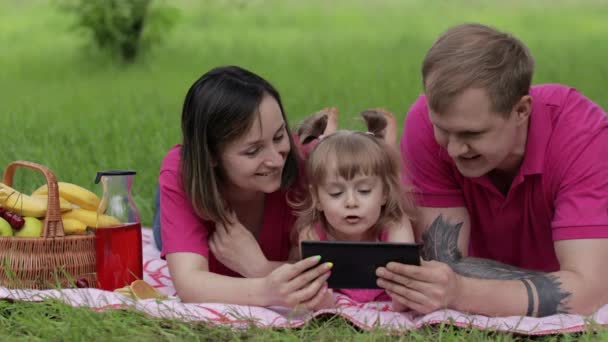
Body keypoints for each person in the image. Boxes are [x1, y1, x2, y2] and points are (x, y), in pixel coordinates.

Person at [376, 23, 608, 317]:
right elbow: (444, 265)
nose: (453, 149)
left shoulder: (583, 137)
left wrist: (461, 291)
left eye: (472, 134)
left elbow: (590, 293)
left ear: (521, 111)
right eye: (443, 129)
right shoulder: (423, 122)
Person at [159, 65, 335, 307]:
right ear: (210, 154)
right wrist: (266, 291)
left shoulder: (306, 162)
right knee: (163, 234)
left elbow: (331, 268)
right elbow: (189, 283)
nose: (276, 160)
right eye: (253, 150)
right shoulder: (182, 171)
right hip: (196, 193)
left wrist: (258, 267)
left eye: (279, 136)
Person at [292, 111, 417, 308]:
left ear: (384, 193)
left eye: (364, 191)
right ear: (317, 199)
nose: (351, 202)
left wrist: (400, 302)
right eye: (335, 193)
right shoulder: (312, 232)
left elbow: (405, 291)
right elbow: (315, 294)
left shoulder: (394, 224)